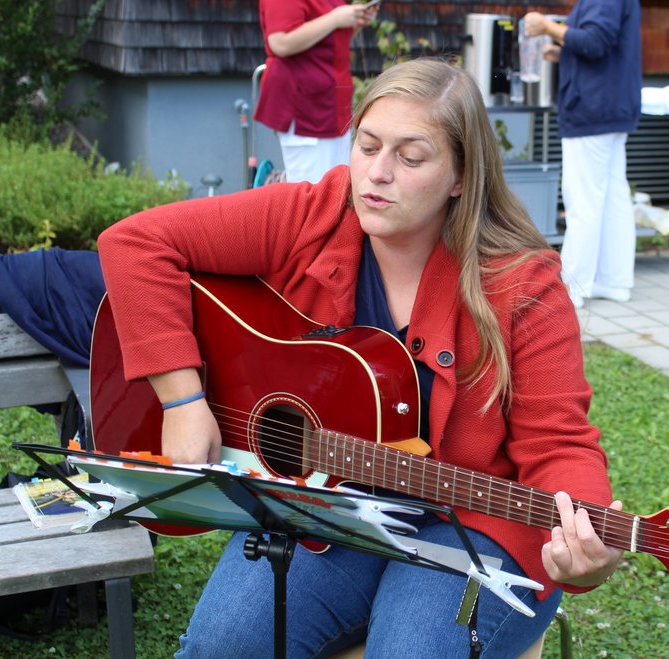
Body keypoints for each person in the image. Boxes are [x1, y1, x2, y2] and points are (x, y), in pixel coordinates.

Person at [97, 58, 622, 658]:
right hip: (328, 508)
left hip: (472, 527)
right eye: (366, 146)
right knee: (219, 647)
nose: (377, 173)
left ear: (460, 177)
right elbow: (135, 244)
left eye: (410, 156)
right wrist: (184, 400)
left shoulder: (523, 285)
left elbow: (560, 443)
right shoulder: (312, 215)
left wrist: (589, 540)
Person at [524, 2, 642, 308]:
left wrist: (548, 27)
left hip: (592, 107)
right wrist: (563, 53)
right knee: (613, 196)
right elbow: (604, 48)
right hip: (611, 105)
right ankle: (614, 282)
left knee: (583, 199)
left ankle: (571, 288)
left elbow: (595, 43)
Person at [254, 0, 378, 184]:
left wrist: (355, 23)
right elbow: (280, 42)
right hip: (306, 106)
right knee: (312, 189)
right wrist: (335, 19)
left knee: (337, 185)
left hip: (332, 102)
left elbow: (328, 43)